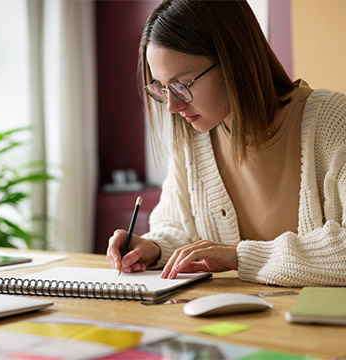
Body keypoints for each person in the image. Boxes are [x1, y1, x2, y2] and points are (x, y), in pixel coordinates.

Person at [107, 0, 346, 287]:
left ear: (235, 60)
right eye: (162, 88)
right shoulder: (194, 137)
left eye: (182, 84)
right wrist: (154, 247)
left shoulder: (333, 121)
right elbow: (177, 227)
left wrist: (241, 256)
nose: (171, 105)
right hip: (231, 324)